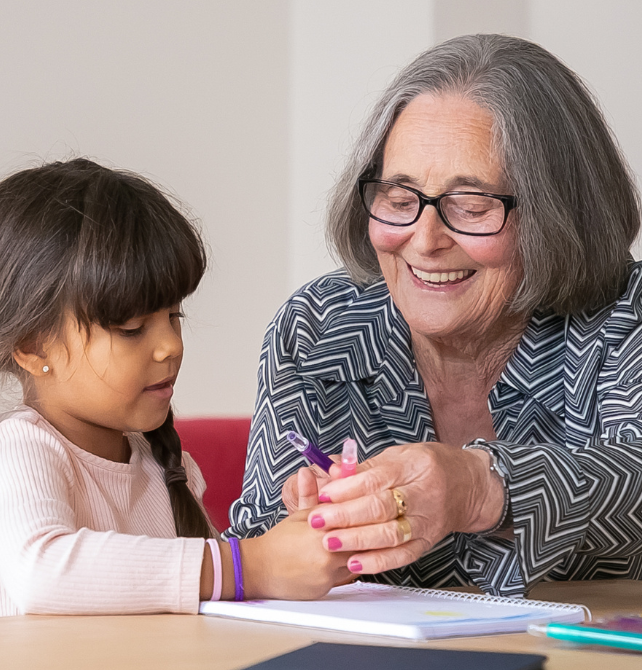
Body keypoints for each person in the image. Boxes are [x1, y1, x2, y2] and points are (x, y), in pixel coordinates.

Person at [230, 33, 642, 597]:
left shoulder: (624, 315)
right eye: (400, 200)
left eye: (470, 207)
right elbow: (262, 546)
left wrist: (476, 485)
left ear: (556, 213)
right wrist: (307, 531)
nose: (424, 241)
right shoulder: (322, 326)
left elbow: (632, 478)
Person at [0, 158, 352, 617]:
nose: (170, 346)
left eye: (174, 316)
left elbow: (210, 598)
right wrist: (249, 566)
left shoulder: (165, 467)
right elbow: (45, 573)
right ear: (33, 347)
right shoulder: (24, 448)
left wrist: (306, 535)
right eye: (133, 328)